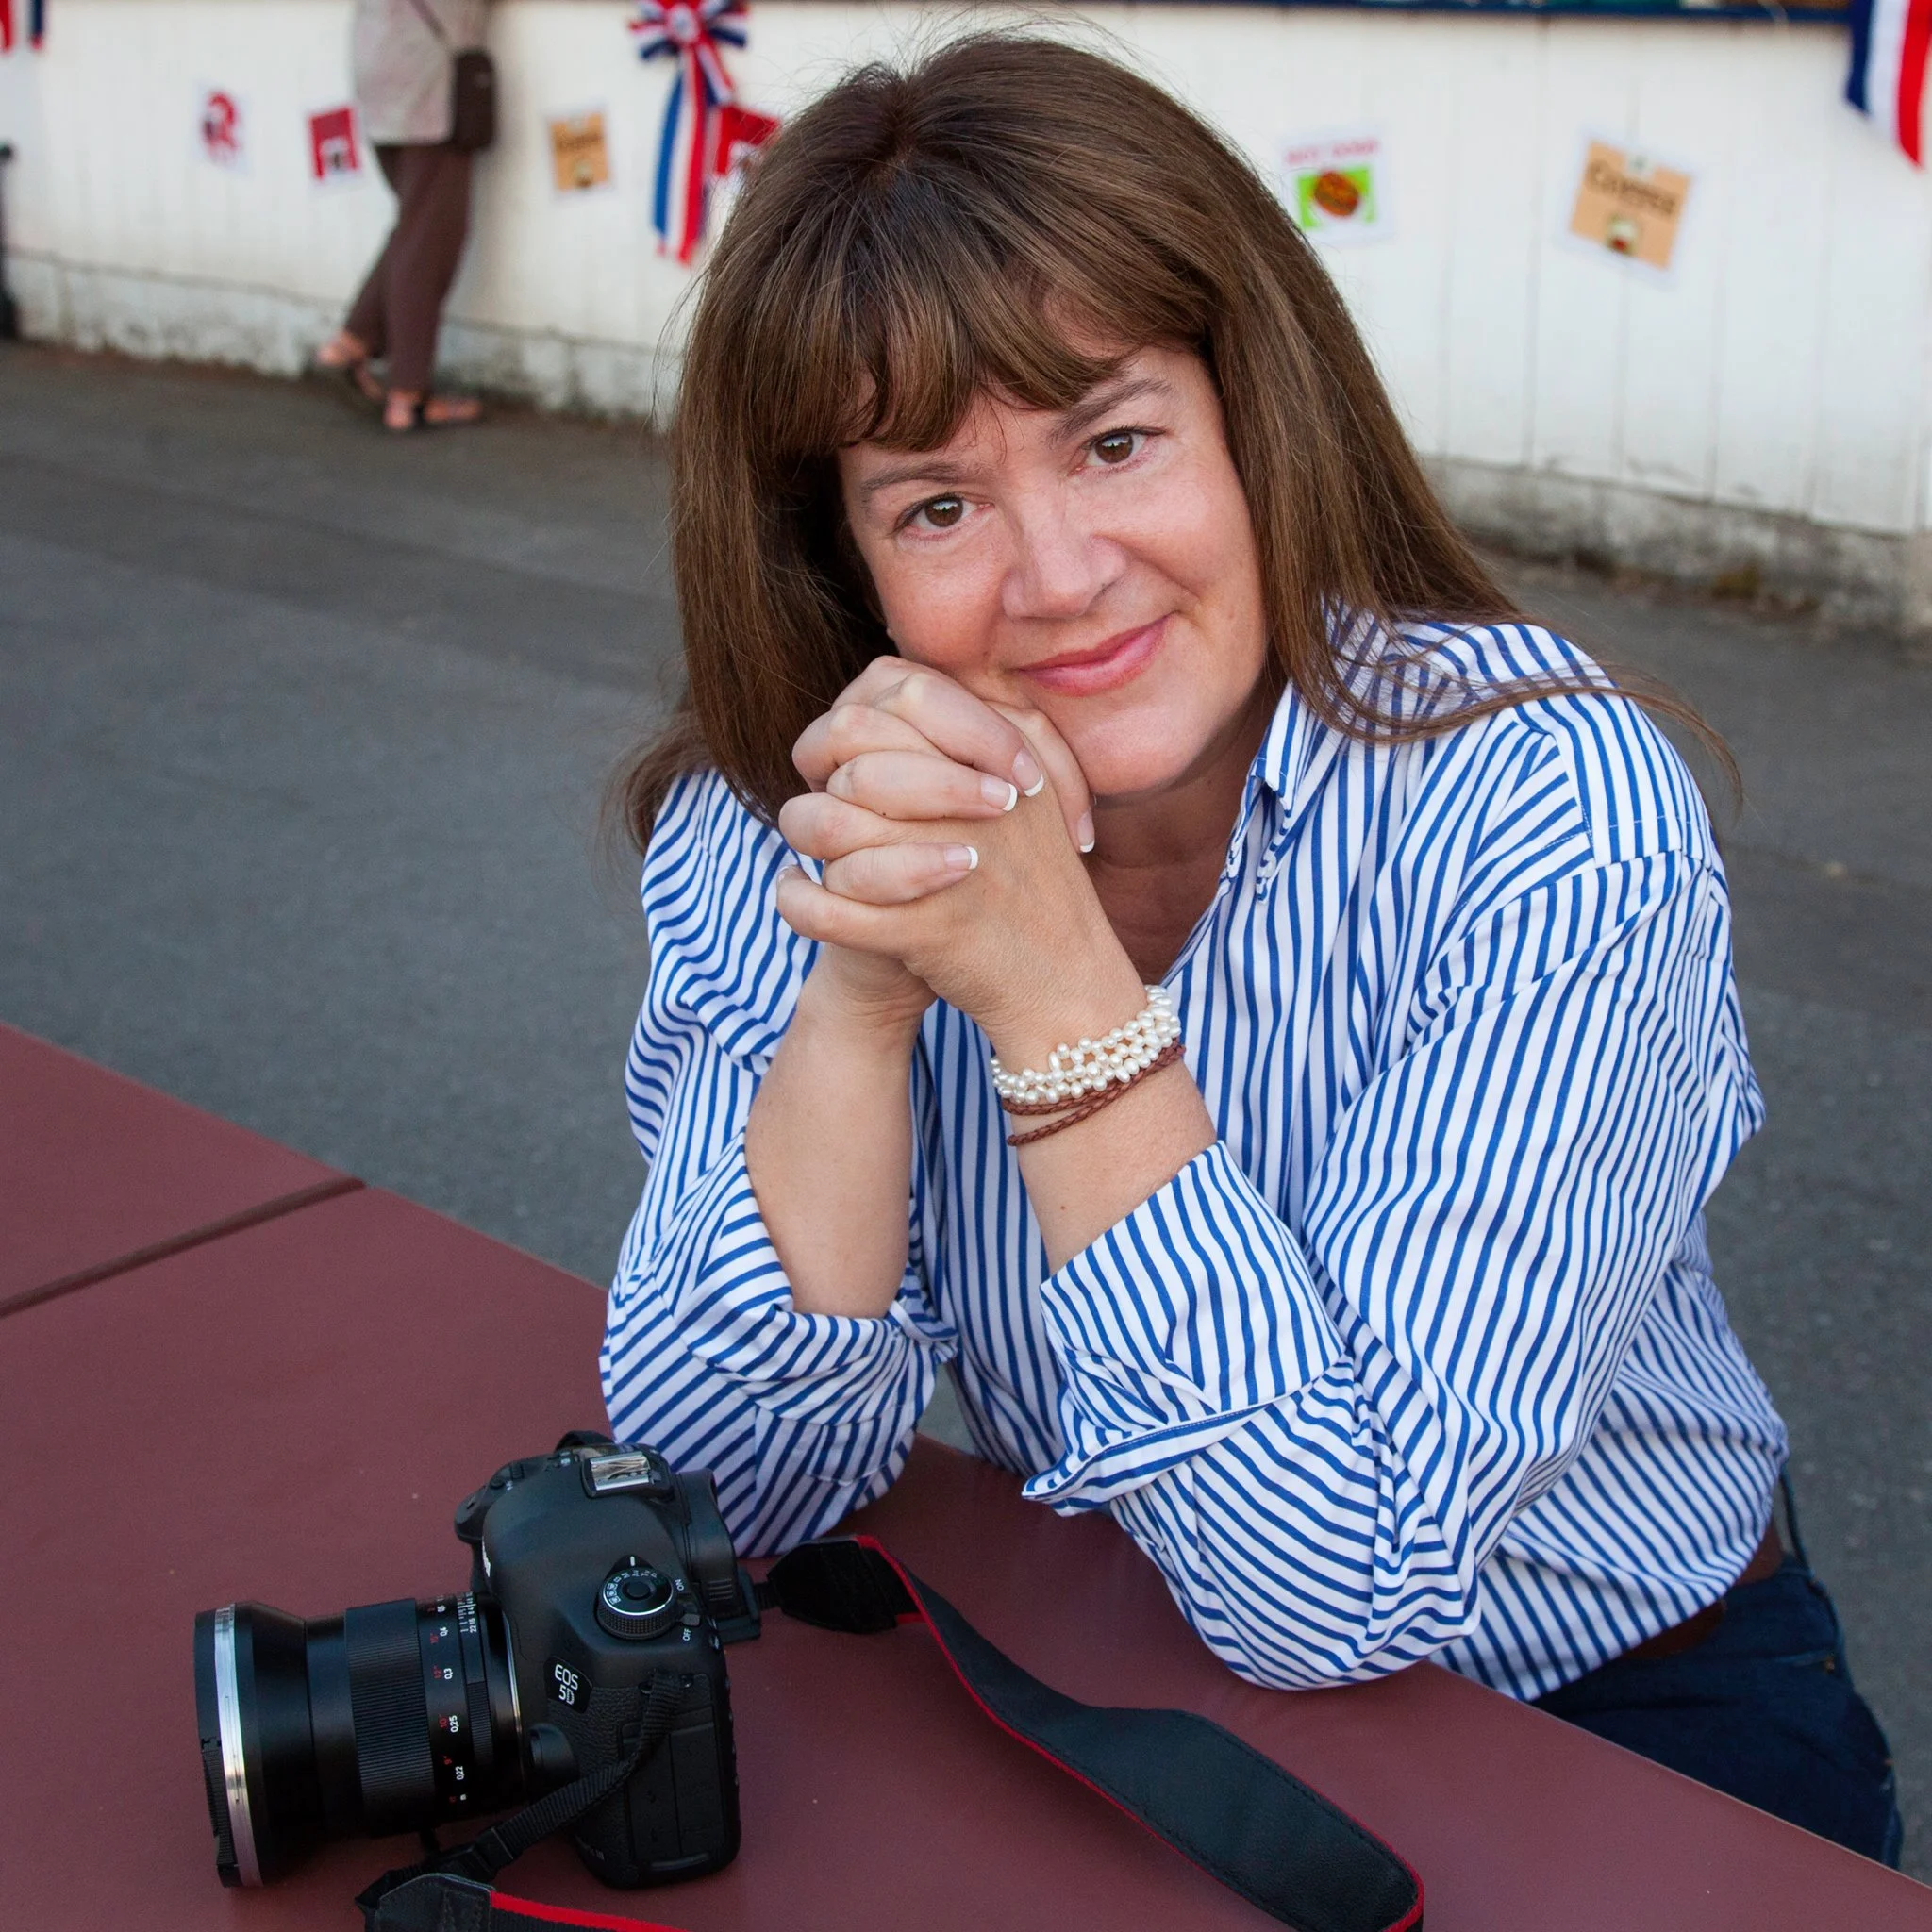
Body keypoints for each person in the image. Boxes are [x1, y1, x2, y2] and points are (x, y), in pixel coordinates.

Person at [602, 35, 1902, 1863]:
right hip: (1125, 1672)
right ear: (845, 560)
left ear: (1251, 415)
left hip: (1618, 1700)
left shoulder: (1540, 803)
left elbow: (1342, 1573)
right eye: (937, 503)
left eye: (1113, 438)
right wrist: (863, 997)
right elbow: (716, 1493)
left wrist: (1056, 996)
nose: (1054, 576)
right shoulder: (793, 814)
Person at [312, 0, 486, 432]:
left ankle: (353, 340)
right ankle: (408, 394)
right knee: (430, 237)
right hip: (424, 80)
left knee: (417, 226)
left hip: (378, 68)